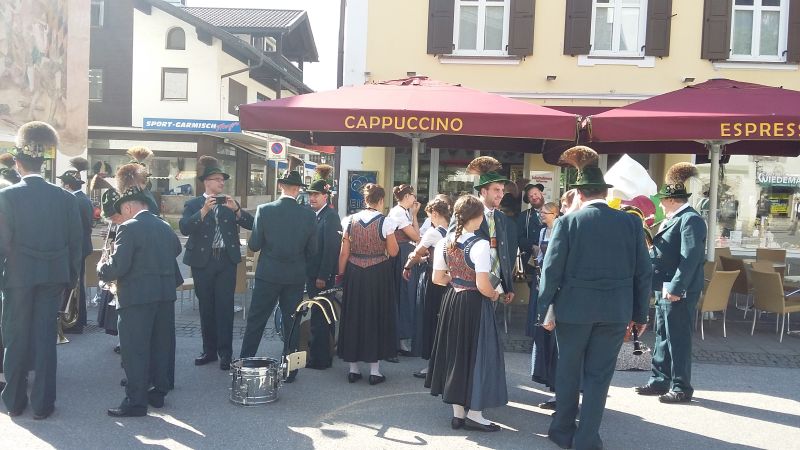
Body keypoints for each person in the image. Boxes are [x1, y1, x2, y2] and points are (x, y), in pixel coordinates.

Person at [537, 146, 651, 449]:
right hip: (615, 310)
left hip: (573, 310)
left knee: (568, 371)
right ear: (605, 192)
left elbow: (552, 270)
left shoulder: (567, 222)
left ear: (579, 194)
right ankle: (587, 438)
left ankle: (562, 431)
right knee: (599, 377)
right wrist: (640, 314)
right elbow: (644, 272)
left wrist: (544, 309)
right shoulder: (630, 222)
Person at [0, 121, 83, 419]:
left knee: (15, 338)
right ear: (44, 163)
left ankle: (14, 401)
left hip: (18, 277)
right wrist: (71, 279)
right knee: (46, 340)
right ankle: (43, 404)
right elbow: (76, 243)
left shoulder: (6, 196)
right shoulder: (66, 197)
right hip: (53, 276)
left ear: (18, 164)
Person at [99, 163, 183, 417]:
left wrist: (102, 267)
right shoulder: (164, 226)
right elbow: (176, 250)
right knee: (161, 345)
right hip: (164, 295)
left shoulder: (128, 227)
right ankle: (158, 393)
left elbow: (118, 266)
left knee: (134, 349)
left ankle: (135, 402)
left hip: (136, 297)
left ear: (128, 207)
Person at [426, 195, 507, 432]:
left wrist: (457, 278)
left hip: (452, 300)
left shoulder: (445, 241)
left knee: (456, 354)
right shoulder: (480, 245)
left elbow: (437, 279)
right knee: (478, 355)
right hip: (474, 303)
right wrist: (494, 294)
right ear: (478, 217)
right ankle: (475, 415)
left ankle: (458, 414)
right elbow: (483, 285)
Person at [240, 161, 316, 383]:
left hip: (268, 274)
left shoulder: (265, 210)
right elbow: (313, 250)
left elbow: (254, 244)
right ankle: (290, 370)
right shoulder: (309, 216)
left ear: (280, 186)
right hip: (295, 275)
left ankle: (246, 364)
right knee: (291, 322)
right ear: (298, 189)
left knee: (256, 320)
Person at [636, 162, 706, 404]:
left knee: (678, 338)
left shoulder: (690, 220)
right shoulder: (674, 218)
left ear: (672, 200)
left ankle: (681, 386)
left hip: (677, 289)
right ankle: (659, 380)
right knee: (662, 336)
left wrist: (677, 287)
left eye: (663, 200)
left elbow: (691, 257)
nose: (660, 204)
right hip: (664, 287)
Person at [179, 156, 253, 371]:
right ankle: (209, 350)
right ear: (206, 182)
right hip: (203, 261)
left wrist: (237, 210)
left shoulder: (229, 203)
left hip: (226, 260)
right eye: (217, 179)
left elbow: (251, 224)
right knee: (206, 307)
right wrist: (203, 211)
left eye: (222, 180)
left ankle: (226, 354)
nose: (222, 183)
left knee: (225, 307)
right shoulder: (193, 204)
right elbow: (184, 228)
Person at [337, 183, 399, 385]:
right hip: (378, 272)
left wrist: (341, 275)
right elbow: (394, 252)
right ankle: (374, 371)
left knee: (353, 316)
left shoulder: (349, 221)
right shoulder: (386, 222)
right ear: (381, 200)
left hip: (354, 272)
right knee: (376, 316)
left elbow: (344, 253)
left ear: (365, 199)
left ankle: (353, 369)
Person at [402, 198, 451, 379]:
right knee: (445, 321)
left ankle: (432, 366)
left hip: (433, 280)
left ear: (435, 214)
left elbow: (417, 253)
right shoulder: (453, 231)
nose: (430, 220)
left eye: (430, 216)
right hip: (449, 281)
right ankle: (446, 363)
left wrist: (407, 266)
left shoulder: (433, 233)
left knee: (430, 320)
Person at [464, 156, 515, 305]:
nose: (501, 194)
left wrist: (508, 286)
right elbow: (452, 244)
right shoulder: (467, 213)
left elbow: (504, 253)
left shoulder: (501, 217)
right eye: (496, 190)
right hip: (471, 285)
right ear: (484, 191)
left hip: (496, 285)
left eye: (502, 190)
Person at [305, 171, 342, 370]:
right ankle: (323, 355)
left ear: (325, 196)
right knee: (322, 316)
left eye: (316, 195)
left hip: (321, 276)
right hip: (314, 273)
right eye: (310, 194)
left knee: (321, 317)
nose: (312, 198)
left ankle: (320, 359)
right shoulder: (317, 215)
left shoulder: (330, 217)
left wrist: (323, 275)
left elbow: (331, 249)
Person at [57, 156, 93, 334]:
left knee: (74, 284)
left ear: (68, 185)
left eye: (63, 183)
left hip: (75, 247)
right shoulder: (82, 198)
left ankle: (74, 321)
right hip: (81, 246)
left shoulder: (74, 200)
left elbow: (73, 228)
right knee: (77, 284)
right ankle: (77, 319)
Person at [530, 201, 560, 409]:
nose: (541, 215)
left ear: (555, 214)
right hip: (543, 278)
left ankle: (561, 393)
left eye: (545, 213)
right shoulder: (542, 232)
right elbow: (540, 257)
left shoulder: (560, 230)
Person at [388, 184, 421, 358]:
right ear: (407, 196)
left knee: (404, 295)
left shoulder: (402, 212)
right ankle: (399, 340)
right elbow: (416, 236)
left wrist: (413, 215)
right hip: (400, 254)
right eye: (413, 195)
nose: (415, 198)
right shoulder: (399, 213)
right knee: (403, 294)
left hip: (403, 253)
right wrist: (414, 215)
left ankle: (402, 338)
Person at [517, 183, 545, 336]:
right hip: (532, 263)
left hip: (552, 260)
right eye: (530, 196)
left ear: (541, 193)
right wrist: (532, 246)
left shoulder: (555, 212)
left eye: (535, 193)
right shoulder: (524, 217)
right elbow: (519, 238)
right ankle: (535, 327)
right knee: (535, 294)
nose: (534, 197)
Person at [125, 147, 161, 216]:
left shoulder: (145, 193)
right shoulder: (134, 194)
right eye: (144, 177)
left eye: (146, 177)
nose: (146, 180)